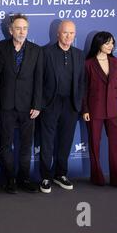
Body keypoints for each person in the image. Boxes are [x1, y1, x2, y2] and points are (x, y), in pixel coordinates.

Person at [0, 14, 43, 194]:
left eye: (25, 28)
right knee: (5, 145)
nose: (22, 31)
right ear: (10, 30)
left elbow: (38, 80)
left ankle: (24, 178)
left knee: (26, 145)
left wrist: (37, 104)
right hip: (6, 105)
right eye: (18, 28)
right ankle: (10, 179)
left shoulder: (36, 50)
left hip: (28, 107)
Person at [39, 20, 85, 194]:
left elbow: (82, 82)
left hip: (71, 104)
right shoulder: (46, 52)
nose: (68, 36)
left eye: (72, 33)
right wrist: (41, 103)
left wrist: (78, 103)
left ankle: (60, 174)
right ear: (58, 33)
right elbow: (39, 81)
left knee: (65, 141)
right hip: (50, 103)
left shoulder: (79, 54)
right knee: (47, 141)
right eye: (65, 32)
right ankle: (45, 176)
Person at [82, 31, 117, 188]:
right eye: (107, 43)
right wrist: (85, 110)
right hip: (94, 110)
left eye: (112, 43)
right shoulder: (88, 64)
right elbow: (83, 89)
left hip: (114, 110)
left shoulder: (116, 62)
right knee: (94, 144)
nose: (111, 46)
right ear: (99, 44)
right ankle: (97, 177)